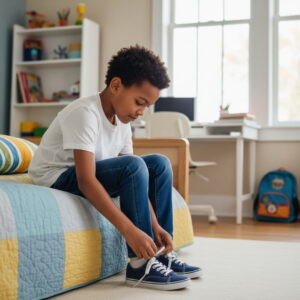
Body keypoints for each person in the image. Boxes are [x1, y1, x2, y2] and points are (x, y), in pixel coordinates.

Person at [28, 45, 202, 290]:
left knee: (158, 164)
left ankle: (160, 254)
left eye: (147, 106)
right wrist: (130, 230)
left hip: (90, 171)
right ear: (116, 85)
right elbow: (86, 180)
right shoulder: (85, 113)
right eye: (139, 102)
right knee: (133, 165)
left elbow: (139, 177)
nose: (141, 112)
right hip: (57, 175)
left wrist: (154, 227)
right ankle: (140, 264)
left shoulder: (122, 121)